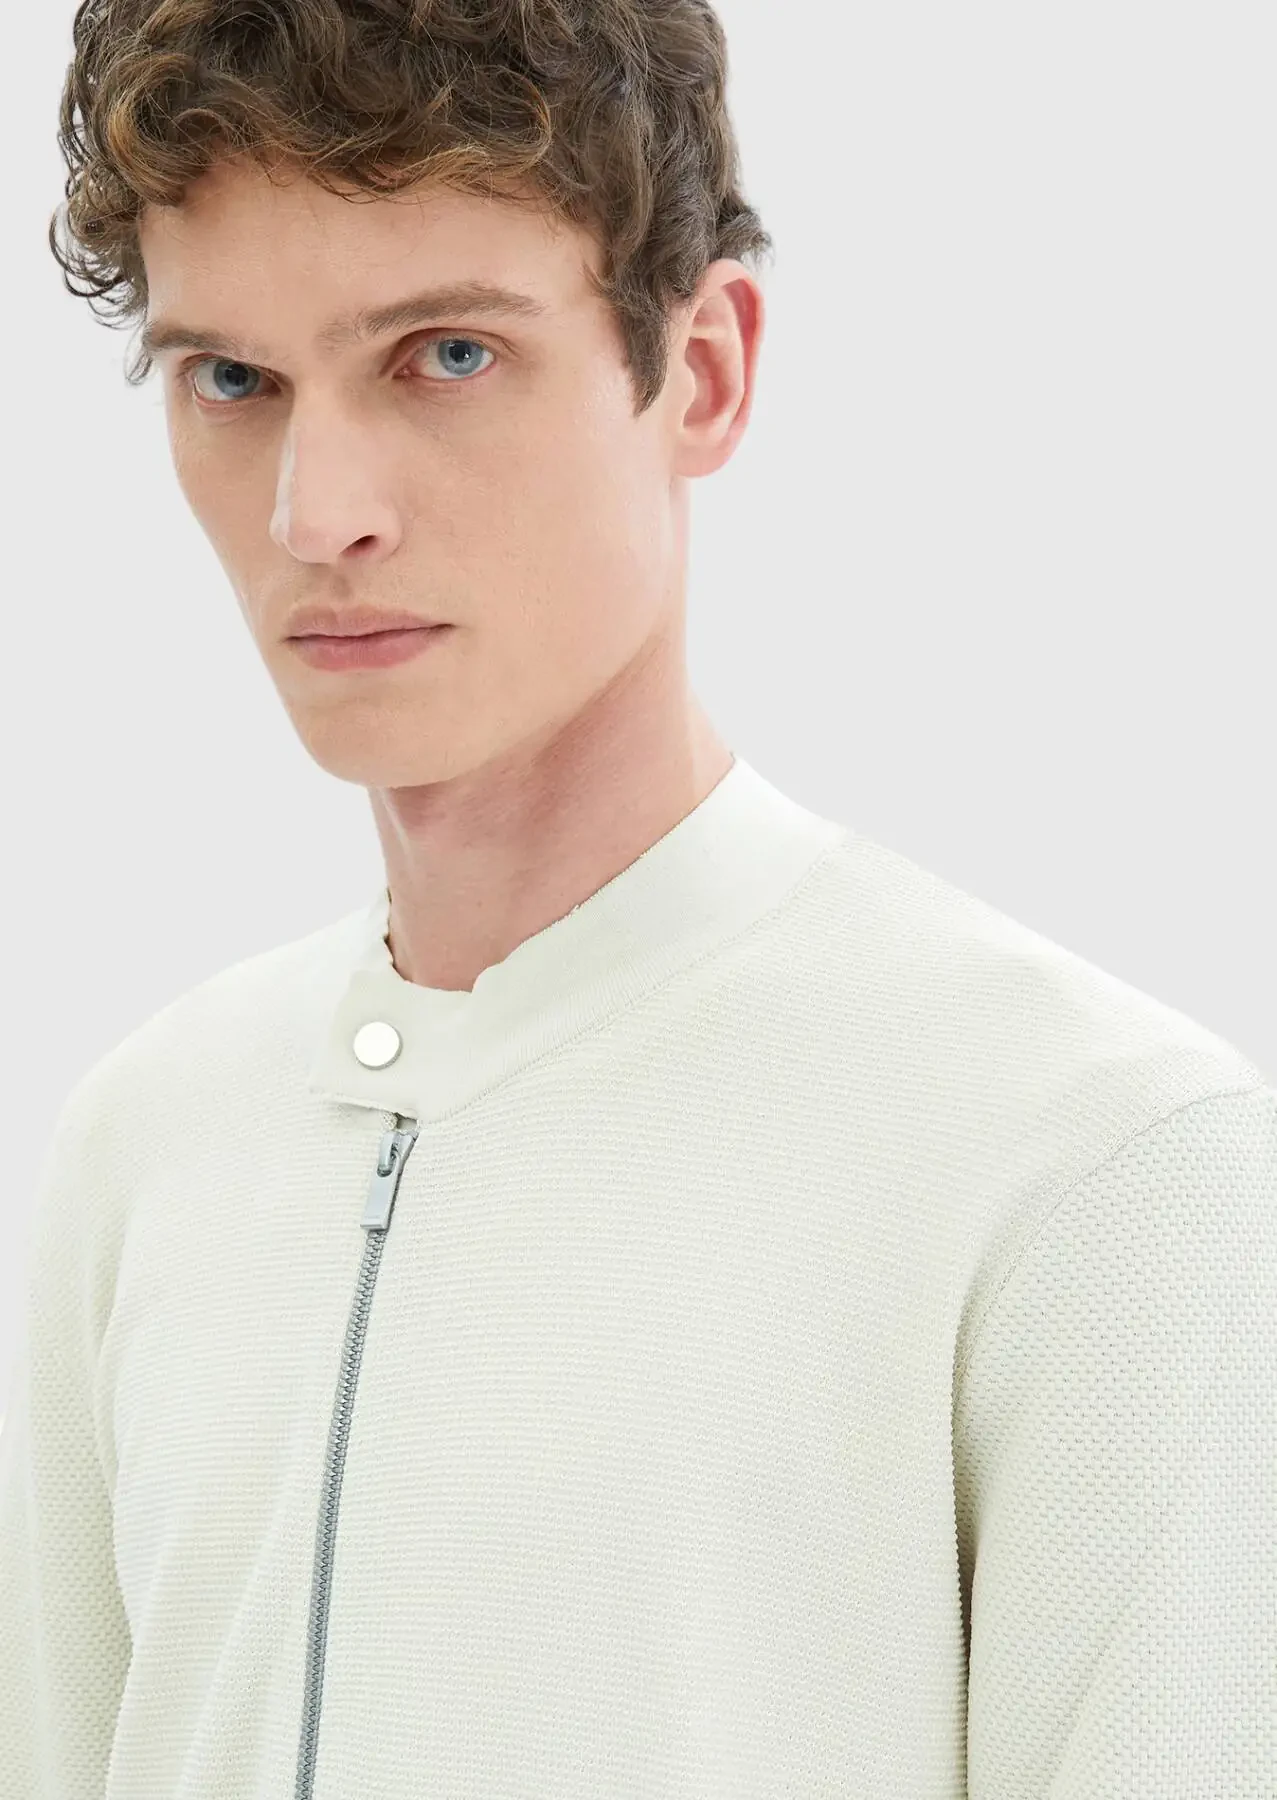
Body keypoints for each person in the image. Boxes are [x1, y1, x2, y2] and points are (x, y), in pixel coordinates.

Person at [2, 2, 1274, 1796]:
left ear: (706, 370)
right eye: (231, 380)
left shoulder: (1093, 1165)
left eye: (445, 355)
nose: (314, 512)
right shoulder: (145, 1144)